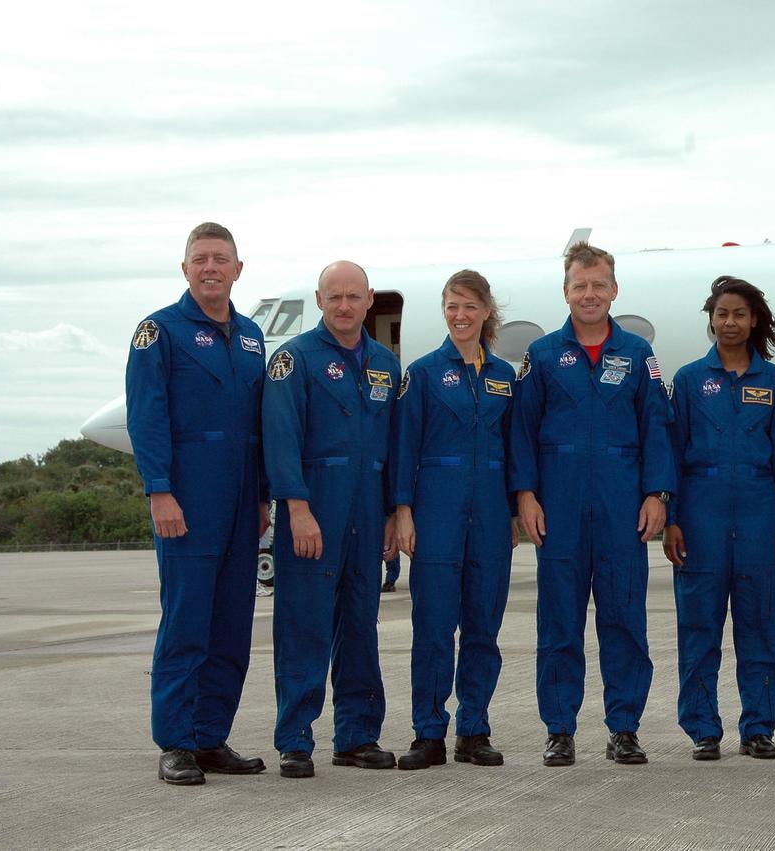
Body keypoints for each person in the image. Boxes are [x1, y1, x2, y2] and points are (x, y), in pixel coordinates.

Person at [509, 241, 675, 766]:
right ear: (566, 290)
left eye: (598, 285)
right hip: (558, 506)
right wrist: (526, 496)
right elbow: (521, 431)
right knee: (558, 621)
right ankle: (559, 727)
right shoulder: (541, 356)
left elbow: (657, 428)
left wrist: (656, 493)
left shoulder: (637, 355)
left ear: (613, 289)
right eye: (580, 285)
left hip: (622, 505)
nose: (589, 294)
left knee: (625, 619)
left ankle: (624, 727)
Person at [125, 222, 270, 785]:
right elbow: (147, 418)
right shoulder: (159, 332)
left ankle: (211, 737)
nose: (211, 268)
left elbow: (259, 425)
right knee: (186, 621)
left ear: (239, 268)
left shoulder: (254, 336)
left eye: (221, 259)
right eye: (201, 259)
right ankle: (176, 742)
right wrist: (159, 491)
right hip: (187, 496)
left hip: (240, 501)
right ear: (184, 269)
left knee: (232, 623)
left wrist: (261, 498)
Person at [263, 260, 402, 778]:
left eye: (353, 296)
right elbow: (280, 438)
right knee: (304, 624)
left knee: (360, 624)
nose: (344, 306)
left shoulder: (386, 364)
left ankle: (357, 734)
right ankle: (295, 739)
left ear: (369, 301)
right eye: (333, 296)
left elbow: (394, 444)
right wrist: (295, 509)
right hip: (315, 504)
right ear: (319, 302)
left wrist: (391, 510)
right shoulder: (293, 360)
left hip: (368, 508)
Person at [663, 276, 775, 761]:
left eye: (739, 314)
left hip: (760, 513)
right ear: (711, 319)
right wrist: (672, 517)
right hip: (699, 513)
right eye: (722, 314)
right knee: (699, 627)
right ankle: (703, 729)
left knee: (759, 626)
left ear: (754, 321)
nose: (730, 322)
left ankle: (759, 728)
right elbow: (671, 453)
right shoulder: (686, 381)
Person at [390, 270, 519, 770]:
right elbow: (405, 446)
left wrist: (512, 511)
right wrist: (403, 511)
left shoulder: (505, 378)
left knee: (484, 626)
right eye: (451, 306)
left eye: (469, 306)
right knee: (434, 627)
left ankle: (475, 729)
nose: (460, 315)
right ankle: (428, 732)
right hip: (436, 511)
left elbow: (516, 452)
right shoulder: (422, 374)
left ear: (487, 311)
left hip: (489, 513)